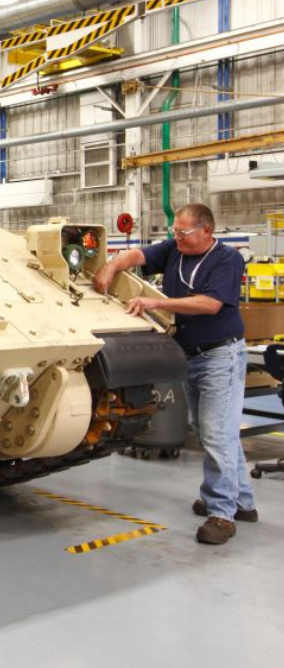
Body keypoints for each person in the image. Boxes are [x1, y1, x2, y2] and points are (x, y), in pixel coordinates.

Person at [92, 203, 257, 545]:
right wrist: (110, 267)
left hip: (219, 356)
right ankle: (242, 501)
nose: (177, 238)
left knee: (215, 433)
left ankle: (221, 513)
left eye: (184, 233)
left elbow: (211, 304)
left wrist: (156, 303)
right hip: (189, 356)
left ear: (206, 231)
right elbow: (135, 255)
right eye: (175, 232)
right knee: (213, 429)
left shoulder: (227, 259)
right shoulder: (174, 250)